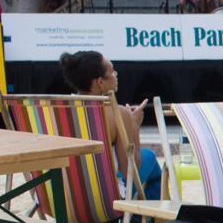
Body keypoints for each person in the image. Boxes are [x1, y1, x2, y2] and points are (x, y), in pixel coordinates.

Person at [59, 50, 160, 207]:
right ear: (100, 82)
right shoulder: (117, 113)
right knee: (151, 158)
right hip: (105, 205)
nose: (115, 74)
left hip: (63, 202)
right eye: (112, 71)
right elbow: (130, 171)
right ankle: (144, 221)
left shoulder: (56, 110)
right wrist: (134, 126)